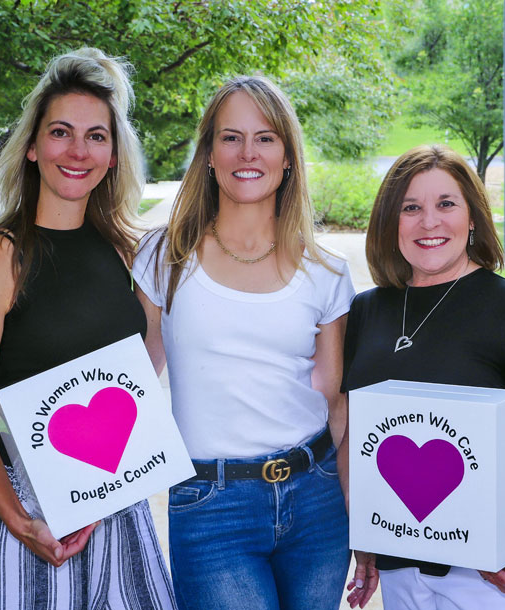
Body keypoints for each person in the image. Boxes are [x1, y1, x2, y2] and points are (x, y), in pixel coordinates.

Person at [0, 48, 176, 608]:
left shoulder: (133, 252)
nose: (78, 150)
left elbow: (147, 356)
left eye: (97, 136)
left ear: (115, 154)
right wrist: (23, 521)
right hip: (28, 518)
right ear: (31, 146)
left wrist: (120, 452)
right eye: (61, 132)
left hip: (119, 509)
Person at [132, 75, 354, 610]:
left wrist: (364, 519)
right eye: (230, 137)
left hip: (317, 499)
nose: (247, 153)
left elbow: (337, 401)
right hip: (212, 505)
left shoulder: (326, 272)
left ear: (287, 157)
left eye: (265, 138)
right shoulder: (165, 257)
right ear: (208, 153)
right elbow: (131, 382)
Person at [341, 145, 505, 610]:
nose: (429, 222)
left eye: (446, 204)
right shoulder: (369, 310)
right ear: (391, 223)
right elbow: (357, 434)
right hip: (400, 563)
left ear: (472, 218)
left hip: (488, 576)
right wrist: (364, 536)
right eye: (411, 208)